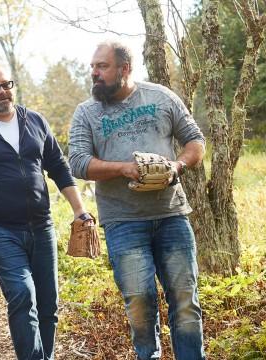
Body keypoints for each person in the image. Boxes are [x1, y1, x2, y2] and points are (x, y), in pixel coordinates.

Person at [68, 40, 206, 359]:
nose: (94, 73)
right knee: (140, 305)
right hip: (123, 222)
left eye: (102, 66)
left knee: (185, 302)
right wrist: (123, 168)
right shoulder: (87, 112)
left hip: (172, 215)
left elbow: (195, 140)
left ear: (124, 69)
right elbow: (77, 161)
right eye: (93, 67)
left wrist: (178, 165)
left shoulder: (160, 97)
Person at [0, 61, 93, 360]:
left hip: (41, 225)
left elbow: (58, 167)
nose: (3, 92)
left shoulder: (35, 121)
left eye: (7, 84)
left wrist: (80, 211)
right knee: (21, 294)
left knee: (48, 302)